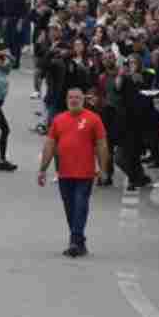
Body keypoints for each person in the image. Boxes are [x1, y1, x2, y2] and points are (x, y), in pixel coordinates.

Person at [41, 84, 108, 258]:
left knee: (80, 205)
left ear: (83, 100)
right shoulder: (58, 120)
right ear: (66, 100)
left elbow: (102, 145)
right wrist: (42, 169)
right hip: (64, 173)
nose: (74, 100)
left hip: (85, 173)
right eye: (70, 97)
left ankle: (74, 241)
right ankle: (79, 242)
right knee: (70, 208)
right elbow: (50, 145)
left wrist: (103, 168)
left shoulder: (93, 119)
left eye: (77, 97)